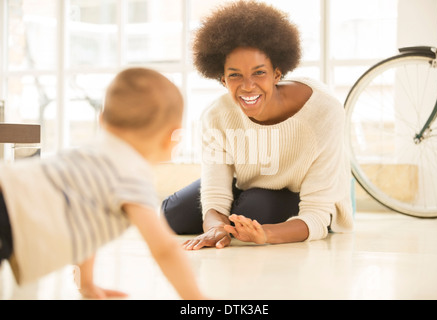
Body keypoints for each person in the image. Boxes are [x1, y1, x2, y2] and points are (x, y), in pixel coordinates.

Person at [162, 1, 354, 250]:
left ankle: (248, 213)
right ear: (222, 79)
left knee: (254, 209)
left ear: (277, 73)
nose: (248, 86)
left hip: (304, 192)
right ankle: (240, 213)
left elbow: (316, 213)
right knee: (174, 215)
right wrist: (216, 228)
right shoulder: (216, 116)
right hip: (248, 184)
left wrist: (265, 235)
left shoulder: (323, 111)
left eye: (259, 73)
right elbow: (215, 195)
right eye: (234, 75)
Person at [0, 67, 205, 300]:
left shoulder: (92, 152)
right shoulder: (132, 174)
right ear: (172, 137)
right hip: (9, 214)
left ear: (102, 119)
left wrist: (86, 284)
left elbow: (84, 223)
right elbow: (164, 248)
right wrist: (198, 300)